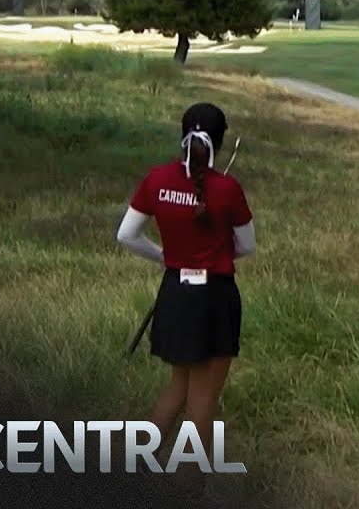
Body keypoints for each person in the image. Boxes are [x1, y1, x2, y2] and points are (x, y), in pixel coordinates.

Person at [115, 102, 256, 495]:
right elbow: (247, 246)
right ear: (220, 142)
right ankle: (189, 488)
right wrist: (217, 245)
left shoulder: (157, 178)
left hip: (175, 293)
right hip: (213, 297)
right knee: (203, 400)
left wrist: (166, 257)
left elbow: (126, 235)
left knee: (179, 387)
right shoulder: (227, 188)